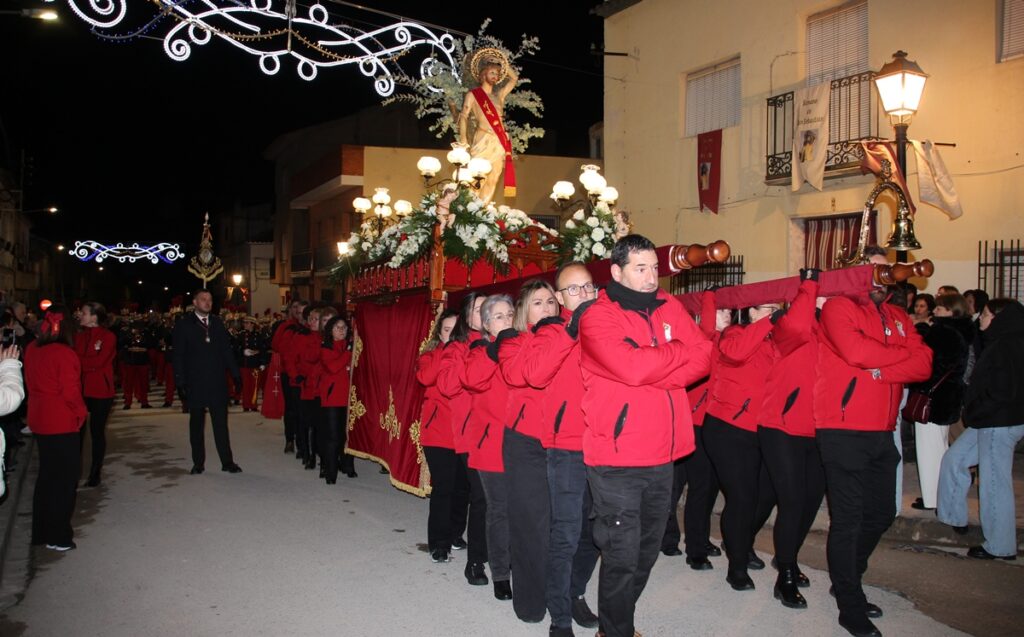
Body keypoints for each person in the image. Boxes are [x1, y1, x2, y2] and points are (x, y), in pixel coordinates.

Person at [577, 234, 711, 637]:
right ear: (617, 272)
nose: (652, 276)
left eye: (655, 267)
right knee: (621, 552)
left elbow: (704, 355)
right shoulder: (597, 316)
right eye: (641, 268)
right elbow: (630, 368)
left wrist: (656, 363)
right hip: (616, 458)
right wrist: (673, 357)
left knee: (648, 549)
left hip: (664, 453)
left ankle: (615, 621)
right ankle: (615, 631)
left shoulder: (668, 305)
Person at [815, 277, 932, 637]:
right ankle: (849, 604)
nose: (884, 279)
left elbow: (925, 364)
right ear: (859, 273)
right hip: (843, 427)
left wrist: (881, 368)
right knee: (848, 518)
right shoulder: (839, 307)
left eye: (888, 272)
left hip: (882, 431)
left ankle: (848, 576)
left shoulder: (897, 313)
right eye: (875, 270)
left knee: (882, 511)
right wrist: (899, 358)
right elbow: (856, 353)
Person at [514, 263, 600, 636]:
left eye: (588, 287)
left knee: (598, 532)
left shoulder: (608, 322)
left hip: (605, 444)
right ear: (562, 299)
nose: (583, 295)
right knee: (565, 532)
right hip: (565, 445)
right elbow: (534, 374)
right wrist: (571, 328)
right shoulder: (551, 330)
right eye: (574, 290)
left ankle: (575, 591)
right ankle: (560, 617)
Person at [702, 292, 782, 592]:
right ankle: (737, 566)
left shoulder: (775, 342)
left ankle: (740, 542)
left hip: (763, 429)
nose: (773, 313)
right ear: (750, 313)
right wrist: (769, 322)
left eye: (777, 309)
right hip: (728, 428)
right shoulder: (736, 334)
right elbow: (737, 353)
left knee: (766, 494)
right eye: (766, 307)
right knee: (742, 497)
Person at [756, 269, 825, 609]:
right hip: (780, 426)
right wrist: (810, 285)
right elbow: (798, 326)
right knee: (792, 501)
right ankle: (784, 576)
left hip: (819, 427)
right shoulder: (785, 327)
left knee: (810, 502)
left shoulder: (832, 328)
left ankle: (789, 557)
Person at [937, 299, 1024, 560]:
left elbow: (1001, 391)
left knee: (995, 483)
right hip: (990, 420)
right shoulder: (1004, 340)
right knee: (955, 459)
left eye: (985, 315)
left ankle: (1000, 545)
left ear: (998, 318)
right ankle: (953, 515)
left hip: (998, 422)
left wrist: (974, 411)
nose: (980, 320)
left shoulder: (1006, 345)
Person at [496, 279, 559, 623]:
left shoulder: (567, 336)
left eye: (551, 301)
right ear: (523, 311)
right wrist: (552, 335)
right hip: (525, 442)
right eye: (538, 303)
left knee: (566, 526)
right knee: (531, 526)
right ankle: (531, 600)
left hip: (565, 440)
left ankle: (564, 593)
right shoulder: (512, 342)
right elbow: (530, 375)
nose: (548, 308)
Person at [662, 290, 725, 569]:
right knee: (678, 487)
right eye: (721, 311)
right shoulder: (697, 338)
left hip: (711, 423)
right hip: (688, 422)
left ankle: (697, 538)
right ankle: (679, 542)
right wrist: (711, 299)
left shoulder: (729, 339)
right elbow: (707, 333)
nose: (725, 316)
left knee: (706, 487)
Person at [461, 294, 514, 598]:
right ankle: (499, 573)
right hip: (490, 443)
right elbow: (473, 379)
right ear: (485, 324)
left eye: (509, 314)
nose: (506, 320)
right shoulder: (480, 350)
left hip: (522, 443)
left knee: (519, 509)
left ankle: (517, 562)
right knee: (496, 509)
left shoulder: (520, 345)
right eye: (498, 316)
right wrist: (495, 350)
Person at [436, 293, 488, 586]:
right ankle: (476, 562)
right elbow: (446, 384)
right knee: (479, 498)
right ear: (467, 316)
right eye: (479, 309)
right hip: (472, 434)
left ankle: (495, 554)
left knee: (496, 501)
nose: (485, 313)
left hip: (503, 431)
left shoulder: (501, 340)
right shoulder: (457, 347)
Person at [25, 305, 87, 551]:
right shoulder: (64, 353)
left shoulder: (31, 349)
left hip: (39, 417)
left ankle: (40, 531)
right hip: (60, 420)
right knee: (64, 480)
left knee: (47, 477)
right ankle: (58, 535)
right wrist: (81, 413)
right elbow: (71, 392)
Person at [908, 294, 972, 511]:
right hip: (948, 396)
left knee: (929, 451)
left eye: (941, 309)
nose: (935, 311)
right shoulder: (961, 331)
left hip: (934, 398)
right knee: (940, 447)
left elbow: (929, 363)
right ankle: (939, 495)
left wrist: (923, 331)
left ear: (952, 312)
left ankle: (933, 498)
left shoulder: (943, 332)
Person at [172, 290, 243, 475]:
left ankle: (227, 462)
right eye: (203, 299)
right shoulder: (184, 324)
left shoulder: (217, 323)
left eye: (210, 299)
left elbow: (226, 351)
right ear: (195, 302)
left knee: (220, 424)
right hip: (195, 382)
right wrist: (180, 383)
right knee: (196, 425)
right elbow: (178, 356)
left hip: (217, 382)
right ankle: (198, 462)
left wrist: (235, 375)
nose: (207, 302)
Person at [417, 309, 459, 562]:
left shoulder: (469, 351)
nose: (452, 335)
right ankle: (439, 542)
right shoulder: (430, 355)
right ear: (439, 333)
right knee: (444, 487)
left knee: (462, 488)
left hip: (465, 430)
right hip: (438, 431)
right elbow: (426, 377)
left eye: (456, 330)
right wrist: (446, 352)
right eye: (447, 330)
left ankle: (455, 533)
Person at [458, 52, 519, 204]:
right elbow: (463, 117)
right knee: (476, 177)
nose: (496, 76)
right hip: (482, 138)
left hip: (498, 141)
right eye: (492, 72)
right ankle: (471, 209)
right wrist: (463, 141)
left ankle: (483, 211)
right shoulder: (473, 95)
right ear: (483, 74)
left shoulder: (499, 96)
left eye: (498, 74)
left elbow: (514, 78)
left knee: (493, 177)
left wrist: (503, 63)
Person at [74, 302, 117, 487]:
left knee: (97, 432)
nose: (80, 315)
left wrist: (80, 362)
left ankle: (95, 473)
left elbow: (100, 362)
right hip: (80, 390)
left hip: (101, 390)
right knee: (76, 433)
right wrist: (85, 362)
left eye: (83, 313)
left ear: (94, 316)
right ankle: (74, 473)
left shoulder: (108, 336)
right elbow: (73, 359)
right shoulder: (78, 336)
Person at [319, 315, 354, 483]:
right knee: (333, 437)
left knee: (346, 435)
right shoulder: (326, 347)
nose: (341, 330)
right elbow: (333, 367)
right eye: (337, 327)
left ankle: (346, 465)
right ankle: (330, 472)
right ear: (330, 330)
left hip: (349, 397)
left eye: (344, 328)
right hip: (332, 398)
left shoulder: (351, 347)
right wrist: (348, 353)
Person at [271, 300, 309, 454]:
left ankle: (304, 442)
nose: (298, 313)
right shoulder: (286, 327)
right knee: (291, 409)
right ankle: (290, 440)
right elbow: (277, 346)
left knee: (304, 410)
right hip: (289, 373)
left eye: (302, 311)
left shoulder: (310, 328)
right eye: (295, 309)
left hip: (306, 374)